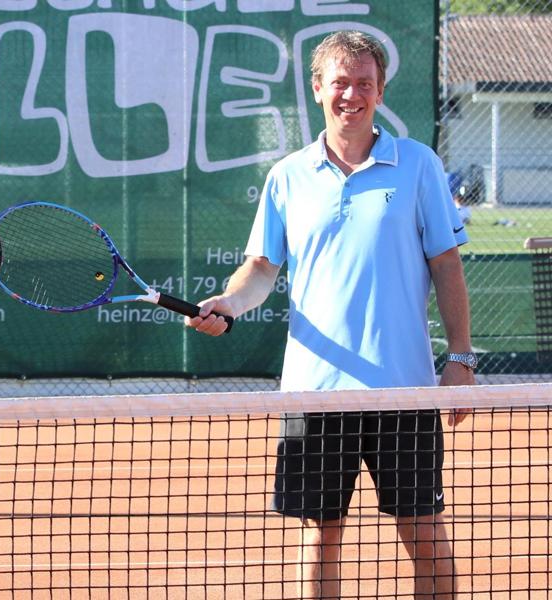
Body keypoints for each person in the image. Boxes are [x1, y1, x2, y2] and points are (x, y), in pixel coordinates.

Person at [187, 31, 475, 599]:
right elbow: (262, 270)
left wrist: (460, 358)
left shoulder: (418, 165)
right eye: (340, 82)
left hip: (404, 392)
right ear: (318, 88)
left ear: (380, 90)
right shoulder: (287, 176)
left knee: (422, 531)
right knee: (321, 536)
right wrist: (228, 301)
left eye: (364, 83)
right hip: (314, 393)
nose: (352, 94)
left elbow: (446, 266)